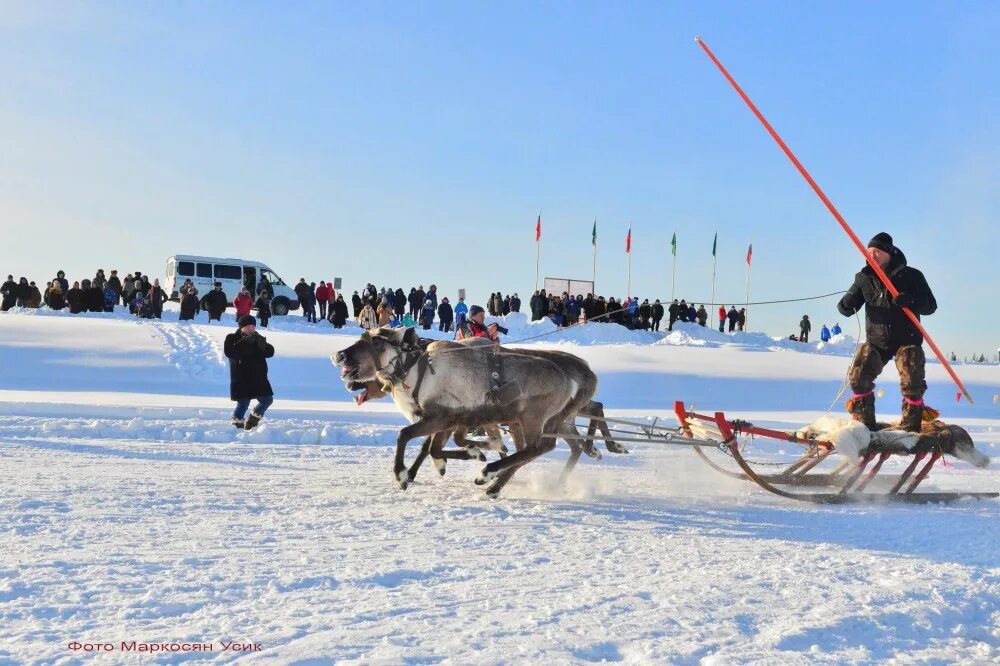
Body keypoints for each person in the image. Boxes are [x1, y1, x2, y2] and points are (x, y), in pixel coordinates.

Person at [838, 232, 937, 432]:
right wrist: (846, 305)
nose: (872, 255)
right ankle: (864, 425)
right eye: (869, 252)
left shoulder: (912, 275)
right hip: (876, 341)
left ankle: (910, 427)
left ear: (889, 253)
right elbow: (846, 309)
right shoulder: (863, 277)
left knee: (912, 380)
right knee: (859, 378)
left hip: (906, 340)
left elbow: (931, 306)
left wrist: (910, 300)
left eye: (877, 252)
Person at [224, 314, 274, 430]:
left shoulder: (257, 338)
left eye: (253, 326)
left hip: (258, 377)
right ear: (242, 327)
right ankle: (236, 427)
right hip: (242, 378)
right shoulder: (232, 338)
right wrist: (247, 344)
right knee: (243, 404)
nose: (251, 328)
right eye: (248, 326)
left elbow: (270, 352)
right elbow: (230, 352)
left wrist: (263, 345)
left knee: (267, 400)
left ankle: (252, 422)